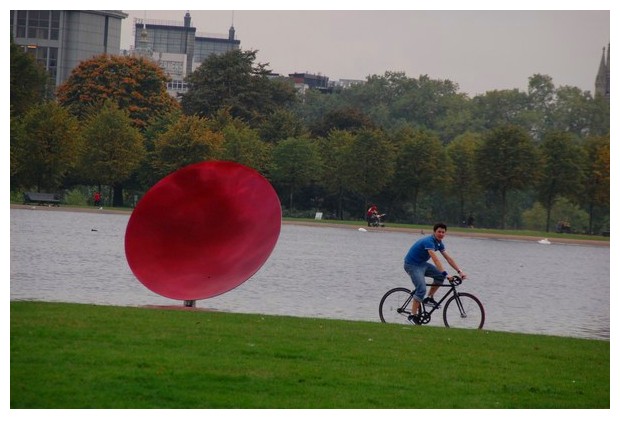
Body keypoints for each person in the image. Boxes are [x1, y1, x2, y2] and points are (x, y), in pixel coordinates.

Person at [403, 222, 467, 325]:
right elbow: (436, 260)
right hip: (412, 265)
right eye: (439, 232)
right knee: (421, 289)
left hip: (422, 264)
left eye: (443, 232)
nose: (441, 234)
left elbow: (448, 258)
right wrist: (446, 274)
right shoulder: (429, 241)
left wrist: (460, 271)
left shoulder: (439, 243)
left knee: (440, 277)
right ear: (434, 232)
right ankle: (412, 316)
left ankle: (429, 298)